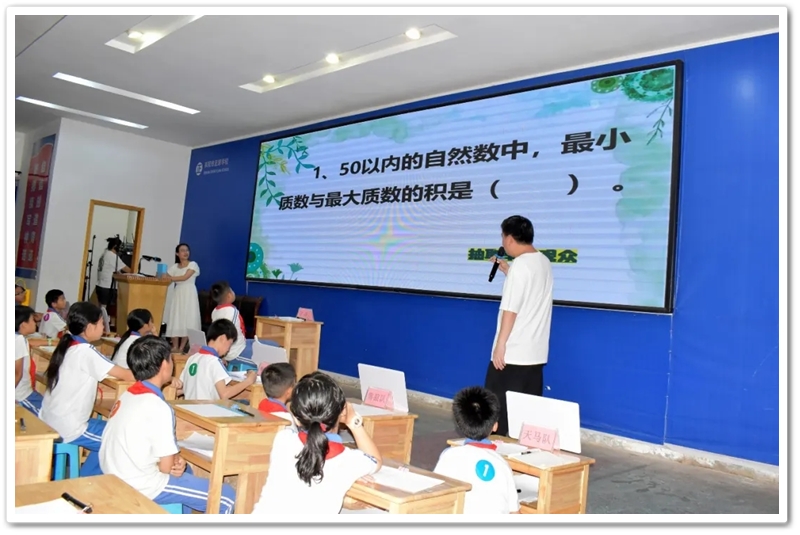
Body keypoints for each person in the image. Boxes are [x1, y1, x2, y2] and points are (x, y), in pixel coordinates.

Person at [99, 335, 236, 514]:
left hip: (115, 473)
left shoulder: (127, 395)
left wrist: (174, 462)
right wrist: (173, 463)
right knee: (226, 496)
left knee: (187, 472)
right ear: (164, 365)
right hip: (141, 484)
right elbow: (165, 469)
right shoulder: (158, 406)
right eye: (171, 358)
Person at [251, 372, 382, 515]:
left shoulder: (283, 439)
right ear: (340, 413)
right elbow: (376, 460)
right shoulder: (351, 460)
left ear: (296, 417)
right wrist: (353, 422)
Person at [39, 302, 135, 476]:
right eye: (101, 323)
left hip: (51, 418)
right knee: (120, 440)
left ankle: (87, 475)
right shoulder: (85, 351)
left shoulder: (69, 344)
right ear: (90, 327)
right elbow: (127, 375)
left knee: (116, 430)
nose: (104, 327)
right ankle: (87, 481)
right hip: (69, 426)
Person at [484, 215, 553, 436]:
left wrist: (501, 344)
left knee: (497, 418)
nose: (503, 242)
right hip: (534, 355)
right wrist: (509, 271)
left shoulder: (521, 265)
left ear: (510, 239)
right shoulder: (542, 261)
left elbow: (511, 309)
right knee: (524, 420)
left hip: (512, 356)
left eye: (503, 237)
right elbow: (530, 292)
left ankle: (492, 455)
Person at [433, 386, 520, 514]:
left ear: (459, 424)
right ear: (495, 426)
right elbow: (515, 512)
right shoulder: (502, 464)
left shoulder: (449, 456)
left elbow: (433, 497)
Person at [180, 319, 256, 401]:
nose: (229, 349)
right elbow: (224, 394)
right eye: (230, 344)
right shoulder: (214, 362)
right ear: (222, 338)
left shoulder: (192, 358)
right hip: (206, 408)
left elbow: (181, 388)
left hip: (189, 406)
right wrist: (248, 381)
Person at [162, 243, 201, 352]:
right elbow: (165, 278)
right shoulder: (175, 267)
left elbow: (184, 277)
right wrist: (161, 275)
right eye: (182, 250)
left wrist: (170, 278)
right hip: (178, 293)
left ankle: (182, 347)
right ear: (177, 253)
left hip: (189, 293)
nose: (185, 252)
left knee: (187, 319)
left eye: (187, 250)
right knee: (176, 318)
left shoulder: (193, 264)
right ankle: (175, 346)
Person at [210, 280, 249, 362]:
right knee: (270, 347)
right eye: (232, 290)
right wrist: (224, 356)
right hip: (237, 352)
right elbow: (229, 333)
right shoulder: (232, 311)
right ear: (229, 296)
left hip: (232, 348)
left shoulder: (215, 311)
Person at [15, 305, 43, 414]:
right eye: (32, 320)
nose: (35, 323)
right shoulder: (18, 340)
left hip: (22, 393)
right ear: (23, 324)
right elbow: (17, 373)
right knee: (47, 416)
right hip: (22, 395)